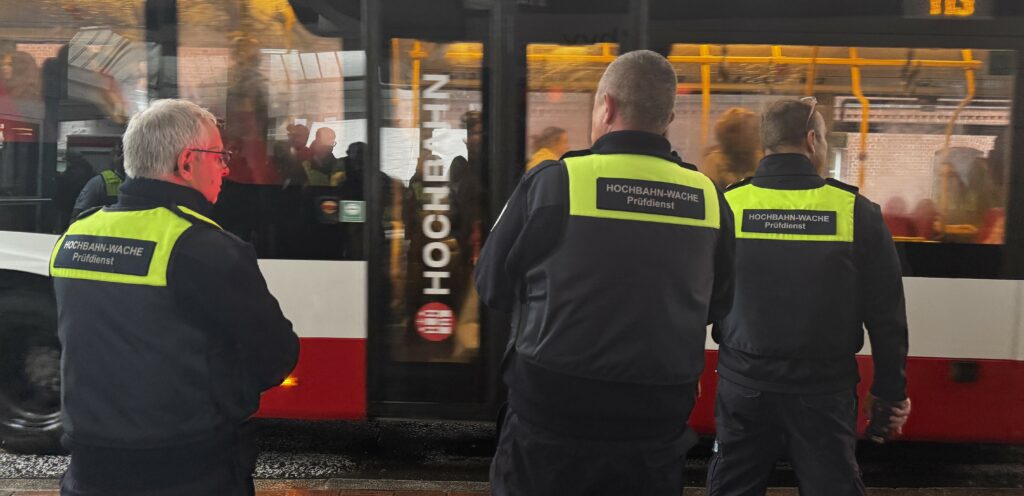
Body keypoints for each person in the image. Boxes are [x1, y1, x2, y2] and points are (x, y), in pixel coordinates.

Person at [477, 50, 735, 496]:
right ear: (669, 116)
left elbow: (491, 286)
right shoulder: (710, 199)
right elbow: (720, 304)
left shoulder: (556, 183)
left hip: (550, 415)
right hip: (655, 423)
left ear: (607, 107)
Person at [49, 99, 299, 496]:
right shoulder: (207, 247)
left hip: (87, 471)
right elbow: (277, 355)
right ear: (187, 163)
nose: (226, 168)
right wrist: (224, 398)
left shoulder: (76, 236)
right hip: (189, 471)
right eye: (219, 156)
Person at [707, 98, 911, 496]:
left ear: (765, 145)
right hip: (824, 391)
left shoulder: (727, 205)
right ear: (813, 140)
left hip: (744, 385)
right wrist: (889, 393)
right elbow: (887, 317)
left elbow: (700, 293)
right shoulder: (858, 213)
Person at [701, 107, 762, 190]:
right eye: (753, 130)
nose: (758, 136)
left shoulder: (760, 159)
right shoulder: (714, 164)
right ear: (734, 135)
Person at [71, 142, 126, 219]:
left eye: (128, 154)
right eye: (119, 153)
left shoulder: (144, 183)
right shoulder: (99, 183)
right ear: (112, 156)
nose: (123, 158)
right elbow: (77, 217)